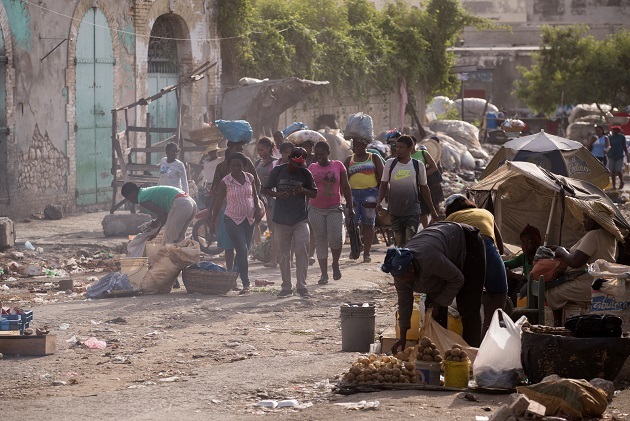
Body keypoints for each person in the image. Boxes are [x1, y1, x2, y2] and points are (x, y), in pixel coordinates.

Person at [382, 222, 486, 352]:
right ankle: (439, 353)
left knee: (468, 305)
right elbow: (404, 303)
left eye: (405, 276)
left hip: (466, 241)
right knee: (432, 313)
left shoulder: (429, 259)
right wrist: (403, 337)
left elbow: (458, 279)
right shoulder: (400, 276)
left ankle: (472, 354)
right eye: (399, 278)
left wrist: (439, 303)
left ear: (411, 267)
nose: (403, 280)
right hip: (441, 249)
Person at [547, 203, 622, 326]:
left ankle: (556, 325)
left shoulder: (593, 235)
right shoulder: (609, 236)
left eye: (586, 217)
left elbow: (576, 262)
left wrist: (561, 251)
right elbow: (583, 253)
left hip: (589, 284)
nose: (583, 221)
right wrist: (564, 250)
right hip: (602, 283)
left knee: (552, 292)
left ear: (595, 219)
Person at [443, 194, 507, 336]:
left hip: (467, 255)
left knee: (469, 307)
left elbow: (448, 248)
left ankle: (469, 343)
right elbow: (500, 248)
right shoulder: (486, 213)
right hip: (490, 250)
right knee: (498, 294)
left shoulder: (451, 218)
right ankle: (489, 336)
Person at [263, 147, 317, 298]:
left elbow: (314, 193)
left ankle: (301, 286)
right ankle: (286, 286)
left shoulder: (305, 173)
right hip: (281, 220)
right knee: (284, 254)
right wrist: (277, 194)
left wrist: (303, 191)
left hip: (300, 219)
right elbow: (266, 189)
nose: (296, 167)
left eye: (299, 165)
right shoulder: (278, 171)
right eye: (294, 164)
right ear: (288, 157)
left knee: (301, 249)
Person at [209, 153, 263, 295]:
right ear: (229, 167)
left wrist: (258, 208)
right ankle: (246, 283)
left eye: (239, 165)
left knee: (245, 250)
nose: (236, 168)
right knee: (242, 249)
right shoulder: (225, 182)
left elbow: (255, 195)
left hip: (249, 219)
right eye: (233, 166)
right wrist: (213, 220)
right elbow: (218, 202)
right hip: (232, 219)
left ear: (243, 166)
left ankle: (232, 280)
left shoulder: (249, 178)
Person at [377, 135, 438, 247]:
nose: (397, 150)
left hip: (412, 210)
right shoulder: (390, 163)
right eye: (397, 147)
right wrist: (378, 203)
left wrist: (433, 210)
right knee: (399, 242)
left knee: (410, 241)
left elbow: (424, 188)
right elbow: (383, 185)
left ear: (410, 149)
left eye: (401, 147)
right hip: (395, 211)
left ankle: (410, 263)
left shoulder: (418, 165)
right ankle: (401, 263)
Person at [308, 141, 354, 284]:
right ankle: (323, 274)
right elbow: (307, 188)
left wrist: (350, 207)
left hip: (334, 207)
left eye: (322, 154)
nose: (319, 157)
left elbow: (346, 187)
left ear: (328, 153)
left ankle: (335, 263)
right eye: (317, 154)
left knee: (336, 238)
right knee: (320, 240)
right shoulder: (311, 167)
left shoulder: (338, 166)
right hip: (315, 208)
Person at [344, 137, 384, 263]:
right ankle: (357, 245)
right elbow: (343, 179)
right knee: (351, 223)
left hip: (370, 193)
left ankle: (366, 253)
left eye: (358, 145)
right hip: (352, 194)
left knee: (368, 223)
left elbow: (383, 178)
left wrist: (383, 196)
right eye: (354, 146)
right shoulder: (348, 160)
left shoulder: (374, 158)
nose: (356, 148)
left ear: (365, 145)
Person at [121, 182, 197, 244]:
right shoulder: (146, 192)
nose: (131, 201)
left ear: (133, 192)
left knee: (169, 242)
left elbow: (162, 214)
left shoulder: (141, 198)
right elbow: (165, 216)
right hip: (190, 203)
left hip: (181, 204)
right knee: (179, 240)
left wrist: (154, 224)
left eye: (129, 198)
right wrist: (156, 232)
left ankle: (169, 262)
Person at [504, 224, 542, 306]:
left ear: (536, 243)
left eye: (529, 242)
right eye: (522, 242)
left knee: (523, 283)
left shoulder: (540, 258)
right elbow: (508, 264)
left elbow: (531, 277)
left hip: (537, 290)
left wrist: (513, 275)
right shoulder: (524, 257)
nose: (525, 246)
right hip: (527, 286)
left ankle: (512, 307)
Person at [255, 137, 278, 266]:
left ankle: (274, 258)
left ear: (269, 149)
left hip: (270, 197)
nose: (260, 152)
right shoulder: (258, 162)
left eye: (262, 150)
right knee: (255, 224)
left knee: (272, 228)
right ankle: (258, 251)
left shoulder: (275, 163)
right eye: (258, 150)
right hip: (259, 197)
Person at [607, 126, 629, 190]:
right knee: (612, 171)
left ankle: (621, 182)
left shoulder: (621, 137)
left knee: (618, 170)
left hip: (619, 155)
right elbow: (608, 146)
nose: (615, 131)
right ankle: (613, 185)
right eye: (614, 130)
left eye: (616, 130)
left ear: (619, 131)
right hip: (612, 155)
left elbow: (624, 146)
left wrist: (627, 155)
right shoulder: (610, 137)